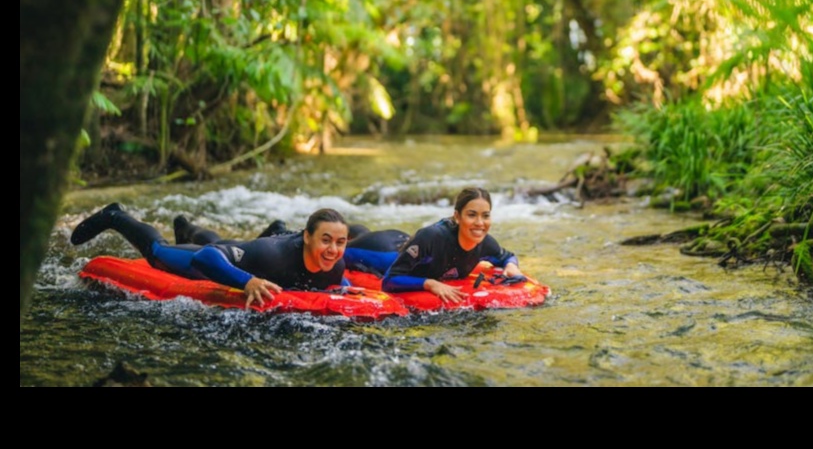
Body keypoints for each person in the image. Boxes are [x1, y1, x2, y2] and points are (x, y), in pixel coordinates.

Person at [70, 203, 350, 309]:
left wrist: (348, 290)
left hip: (240, 250)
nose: (333, 250)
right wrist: (247, 281)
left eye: (340, 242)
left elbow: (340, 286)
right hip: (216, 264)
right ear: (306, 237)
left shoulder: (336, 266)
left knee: (229, 243)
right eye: (326, 240)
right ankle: (116, 215)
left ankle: (186, 227)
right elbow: (206, 258)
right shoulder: (271, 255)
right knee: (158, 254)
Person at [381, 187, 525, 303]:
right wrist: (430, 284)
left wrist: (511, 266)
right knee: (359, 236)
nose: (480, 223)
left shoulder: (486, 243)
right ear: (457, 216)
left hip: (407, 242)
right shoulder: (432, 237)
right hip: (383, 248)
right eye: (472, 215)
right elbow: (388, 281)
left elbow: (508, 257)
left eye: (485, 215)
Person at [173, 215, 409, 277]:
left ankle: (188, 229)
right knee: (233, 247)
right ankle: (187, 227)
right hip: (383, 248)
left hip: (389, 238)